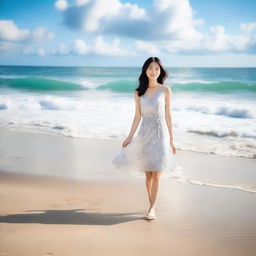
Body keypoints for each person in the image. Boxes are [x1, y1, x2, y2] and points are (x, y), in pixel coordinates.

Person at [112, 57, 177, 221]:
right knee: (148, 175)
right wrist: (130, 136)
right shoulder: (138, 92)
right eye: (150, 68)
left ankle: (152, 208)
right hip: (144, 134)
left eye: (156, 68)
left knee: (157, 174)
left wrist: (171, 140)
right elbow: (137, 116)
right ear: (145, 70)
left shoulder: (165, 90)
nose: (153, 71)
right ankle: (151, 204)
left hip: (161, 133)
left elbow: (168, 115)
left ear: (160, 71)